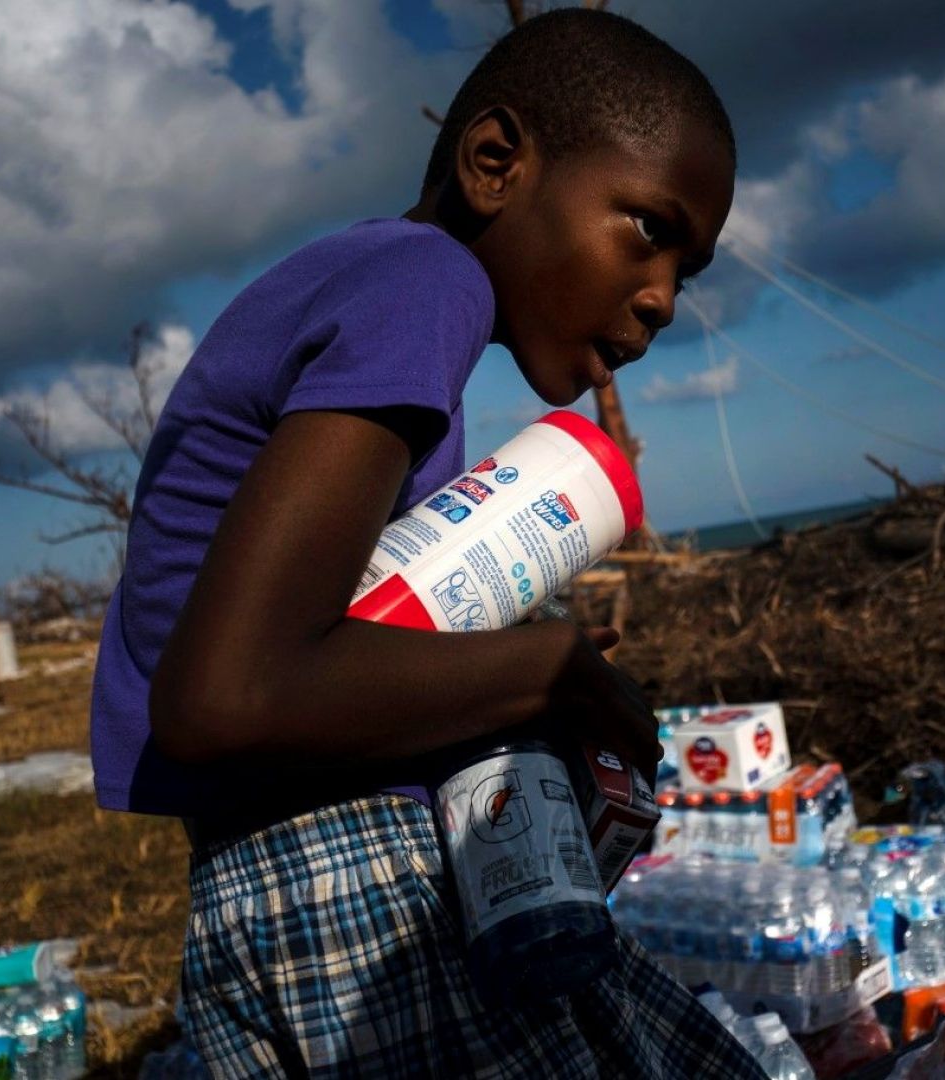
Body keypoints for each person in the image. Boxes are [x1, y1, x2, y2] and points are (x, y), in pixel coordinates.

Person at [89, 9, 748, 1077]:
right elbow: (229, 695)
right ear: (495, 162)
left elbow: (322, 649)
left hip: (304, 864)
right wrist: (552, 673)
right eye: (647, 229)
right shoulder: (423, 280)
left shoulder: (372, 286)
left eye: (690, 268)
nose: (664, 297)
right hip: (342, 876)